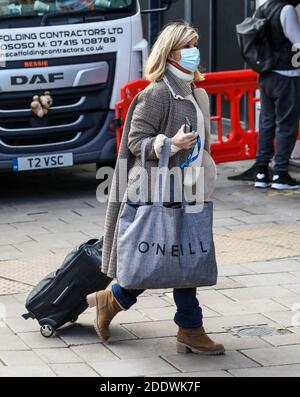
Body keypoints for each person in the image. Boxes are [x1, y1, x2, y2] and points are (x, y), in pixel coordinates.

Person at [87, 21, 224, 355]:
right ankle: (120, 300)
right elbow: (135, 141)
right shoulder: (157, 92)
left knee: (185, 254)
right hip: (158, 187)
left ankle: (185, 325)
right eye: (188, 45)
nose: (195, 50)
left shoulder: (193, 89)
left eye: (196, 42)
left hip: (188, 185)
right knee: (160, 253)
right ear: (171, 52)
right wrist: (170, 143)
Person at [255, 0, 300, 190]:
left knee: (267, 123)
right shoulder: (286, 9)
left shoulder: (263, 7)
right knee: (286, 125)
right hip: (287, 76)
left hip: (266, 75)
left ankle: (262, 172)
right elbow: (297, 41)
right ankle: (280, 174)